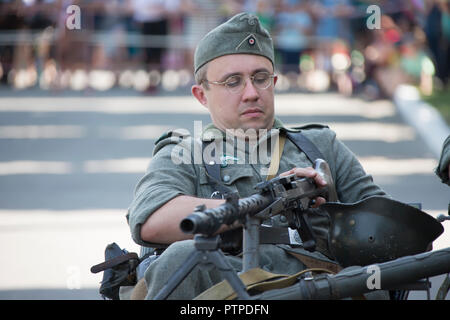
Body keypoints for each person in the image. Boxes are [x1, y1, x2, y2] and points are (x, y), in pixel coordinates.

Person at [126, 12, 388, 300]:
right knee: (182, 256)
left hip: (317, 280)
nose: (251, 93)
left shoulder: (320, 144)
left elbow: (391, 228)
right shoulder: (184, 152)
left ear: (273, 82)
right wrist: (267, 201)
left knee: (368, 282)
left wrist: (333, 210)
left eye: (260, 78)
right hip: (228, 284)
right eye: (233, 82)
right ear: (202, 95)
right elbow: (151, 219)